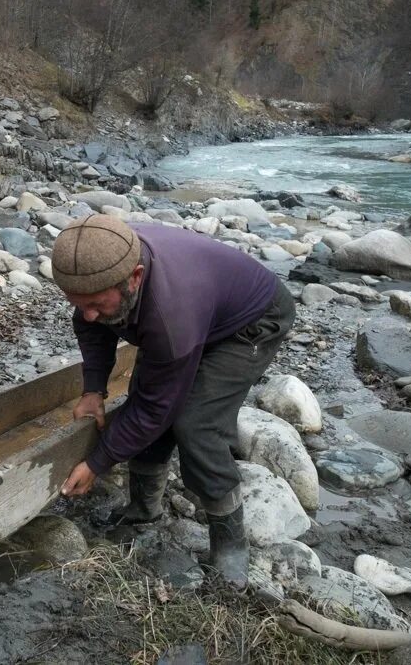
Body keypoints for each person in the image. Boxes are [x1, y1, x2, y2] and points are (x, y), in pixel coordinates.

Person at [52, 214, 295, 588]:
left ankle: (231, 544)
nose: (88, 312)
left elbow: (156, 409)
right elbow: (91, 325)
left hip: (253, 319)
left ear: (134, 278)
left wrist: (98, 462)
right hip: (199, 309)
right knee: (146, 395)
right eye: (77, 303)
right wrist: (93, 390)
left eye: (98, 303)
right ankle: (144, 507)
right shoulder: (100, 272)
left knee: (195, 422)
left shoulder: (170, 312)